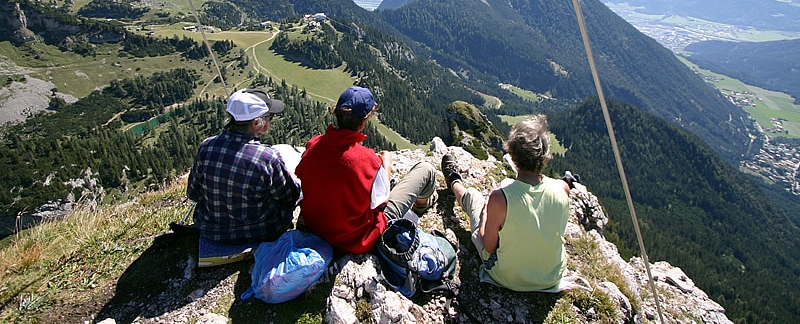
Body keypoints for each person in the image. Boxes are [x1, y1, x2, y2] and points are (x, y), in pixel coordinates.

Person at [295, 85, 437, 254]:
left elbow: (302, 175)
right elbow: (382, 201)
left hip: (316, 227)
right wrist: (386, 166)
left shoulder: (314, 144)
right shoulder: (367, 160)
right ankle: (421, 206)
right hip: (355, 238)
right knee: (426, 169)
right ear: (363, 122)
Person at [441, 115, 570, 291]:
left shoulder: (500, 199)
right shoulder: (562, 189)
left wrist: (487, 211)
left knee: (474, 197)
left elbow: (489, 245)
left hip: (508, 278)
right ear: (544, 155)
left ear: (513, 154)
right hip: (551, 278)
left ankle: (454, 182)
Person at [187, 88, 301, 244]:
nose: (270, 121)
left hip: (210, 230)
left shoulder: (207, 146)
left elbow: (193, 193)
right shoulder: (267, 157)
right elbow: (289, 196)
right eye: (270, 117)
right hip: (263, 231)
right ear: (256, 123)